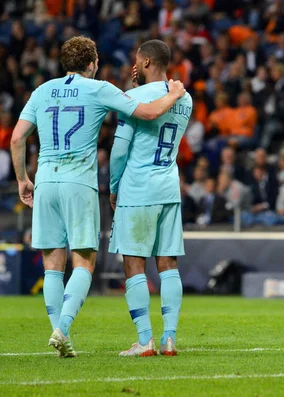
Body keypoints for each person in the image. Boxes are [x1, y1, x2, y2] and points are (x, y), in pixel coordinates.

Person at [10, 36, 186, 358]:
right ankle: (63, 328)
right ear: (92, 63)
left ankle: (58, 333)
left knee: (52, 265)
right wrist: (173, 93)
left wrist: (23, 178)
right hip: (82, 182)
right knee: (85, 262)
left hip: (46, 179)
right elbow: (147, 112)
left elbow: (17, 137)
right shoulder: (99, 88)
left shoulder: (41, 91)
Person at [108, 40, 193, 357]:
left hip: (138, 187)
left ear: (144, 62)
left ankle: (145, 340)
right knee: (168, 263)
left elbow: (119, 152)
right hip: (169, 186)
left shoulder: (132, 97)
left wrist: (114, 187)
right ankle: (170, 337)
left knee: (133, 262)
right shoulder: (186, 99)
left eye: (135, 59)